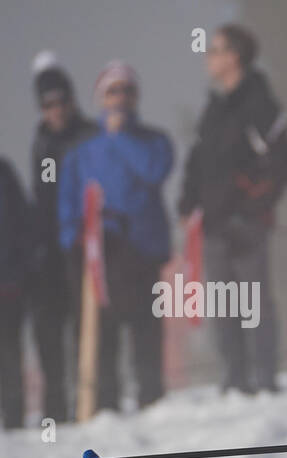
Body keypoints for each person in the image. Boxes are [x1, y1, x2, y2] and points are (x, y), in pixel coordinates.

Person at [178, 23, 287, 394]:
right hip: (212, 225)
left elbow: (283, 160)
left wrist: (254, 207)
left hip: (247, 224)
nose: (208, 58)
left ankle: (265, 380)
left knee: (254, 303)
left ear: (236, 56)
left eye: (215, 50)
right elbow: (197, 160)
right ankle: (234, 380)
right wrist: (187, 200)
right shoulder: (214, 106)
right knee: (224, 306)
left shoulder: (259, 102)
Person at [59, 62, 173, 412]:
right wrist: (71, 246)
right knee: (103, 332)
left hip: (143, 248)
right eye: (112, 91)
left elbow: (155, 171)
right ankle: (104, 402)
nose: (120, 98)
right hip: (102, 252)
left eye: (127, 90)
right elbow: (68, 201)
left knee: (145, 327)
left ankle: (151, 397)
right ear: (100, 99)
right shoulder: (82, 151)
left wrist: (120, 136)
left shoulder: (154, 141)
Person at [28, 54, 96, 424]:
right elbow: (44, 194)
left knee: (84, 330)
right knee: (48, 332)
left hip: (83, 247)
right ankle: (55, 412)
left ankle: (90, 404)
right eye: (47, 104)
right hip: (50, 253)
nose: (55, 110)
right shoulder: (42, 143)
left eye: (60, 101)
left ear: (72, 100)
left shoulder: (87, 137)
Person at [0, 157, 30, 430]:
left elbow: (22, 224)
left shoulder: (5, 174)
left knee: (9, 354)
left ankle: (13, 419)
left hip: (6, 284)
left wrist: (19, 271)